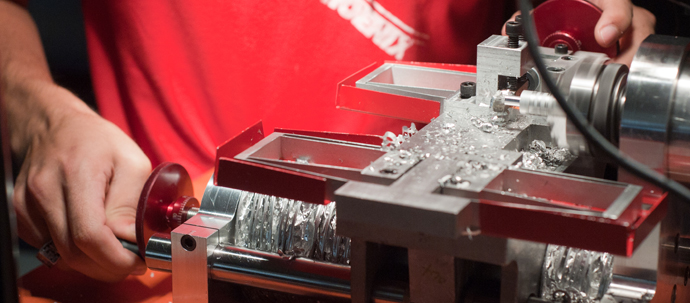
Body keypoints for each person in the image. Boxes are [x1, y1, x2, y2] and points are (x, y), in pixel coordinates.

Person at [0, 0, 655, 281]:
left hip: (438, 251)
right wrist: (36, 111)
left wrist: (610, 36)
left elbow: (596, 27)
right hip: (158, 248)